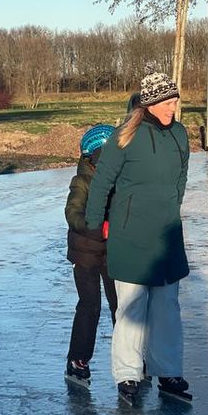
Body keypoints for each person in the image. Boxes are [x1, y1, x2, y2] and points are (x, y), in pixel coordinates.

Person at [84, 72, 192, 404]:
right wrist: (93, 223)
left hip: (166, 237)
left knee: (167, 309)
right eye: (169, 102)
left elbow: (182, 176)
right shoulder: (124, 137)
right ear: (151, 103)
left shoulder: (179, 134)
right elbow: (102, 182)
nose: (174, 107)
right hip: (131, 236)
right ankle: (128, 375)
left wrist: (172, 207)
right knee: (131, 309)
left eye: (175, 101)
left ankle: (168, 371)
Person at [64, 124, 119, 387]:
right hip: (85, 254)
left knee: (121, 305)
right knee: (90, 307)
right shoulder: (82, 182)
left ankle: (128, 359)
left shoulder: (117, 180)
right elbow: (73, 214)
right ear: (94, 157)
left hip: (112, 253)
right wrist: (98, 226)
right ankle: (77, 359)